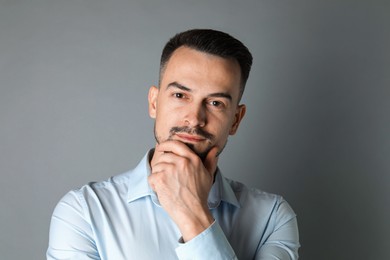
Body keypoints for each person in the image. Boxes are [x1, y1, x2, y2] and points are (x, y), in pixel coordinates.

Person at [47, 29, 300, 260]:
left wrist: (192, 214)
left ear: (235, 120)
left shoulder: (272, 217)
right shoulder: (83, 212)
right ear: (154, 103)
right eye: (180, 95)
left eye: (215, 103)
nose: (195, 118)